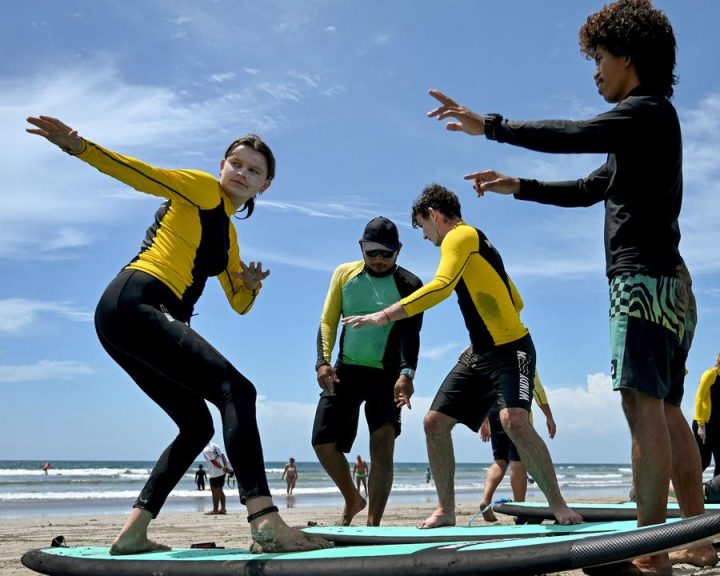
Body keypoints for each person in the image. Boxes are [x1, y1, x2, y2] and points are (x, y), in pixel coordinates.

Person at [424, 1, 715, 570]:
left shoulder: (644, 111)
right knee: (670, 409)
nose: (595, 71)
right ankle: (697, 538)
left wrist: (493, 127)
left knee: (643, 410)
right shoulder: (650, 123)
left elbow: (576, 133)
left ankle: (650, 552)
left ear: (628, 56)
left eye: (601, 58)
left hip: (640, 281)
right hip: (674, 285)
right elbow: (589, 188)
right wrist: (520, 187)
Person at [24, 115, 328, 555]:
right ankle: (265, 520)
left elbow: (239, 305)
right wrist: (78, 146)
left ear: (265, 186)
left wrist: (251, 285)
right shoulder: (201, 189)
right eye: (236, 164)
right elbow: (141, 174)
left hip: (125, 317)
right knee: (237, 391)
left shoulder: (228, 237)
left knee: (196, 425)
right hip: (139, 299)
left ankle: (132, 532)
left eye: (254, 171)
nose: (242, 173)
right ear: (222, 166)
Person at [342, 184, 582, 530]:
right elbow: (514, 298)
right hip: (481, 352)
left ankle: (558, 505)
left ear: (434, 216)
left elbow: (440, 285)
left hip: (511, 348)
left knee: (514, 421)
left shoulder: (460, 237)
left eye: (423, 227)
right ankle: (445, 509)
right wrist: (483, 334)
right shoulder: (478, 243)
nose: (425, 237)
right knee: (434, 422)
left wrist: (384, 315)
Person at [312, 216, 423, 526]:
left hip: (387, 377)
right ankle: (353, 498)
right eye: (372, 252)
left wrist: (407, 373)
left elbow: (410, 335)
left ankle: (373, 525)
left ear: (398, 250)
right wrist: (322, 361)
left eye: (386, 253)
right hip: (345, 371)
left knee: (383, 447)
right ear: (361, 247)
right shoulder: (344, 274)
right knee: (322, 442)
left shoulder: (411, 285)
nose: (378, 259)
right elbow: (327, 321)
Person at [478, 370, 557, 522]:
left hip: (495, 411)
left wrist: (484, 418)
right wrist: (549, 416)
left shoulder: (494, 357)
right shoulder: (523, 356)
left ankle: (486, 500)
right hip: (516, 411)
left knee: (499, 461)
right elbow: (537, 389)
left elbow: (484, 388)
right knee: (518, 462)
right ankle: (520, 510)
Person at [202, 442, 231, 515]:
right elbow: (222, 455)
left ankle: (215, 510)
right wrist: (225, 466)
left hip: (215, 473)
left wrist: (221, 467)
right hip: (222, 472)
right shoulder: (215, 445)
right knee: (220, 490)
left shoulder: (206, 450)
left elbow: (213, 461)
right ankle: (223, 509)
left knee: (214, 491)